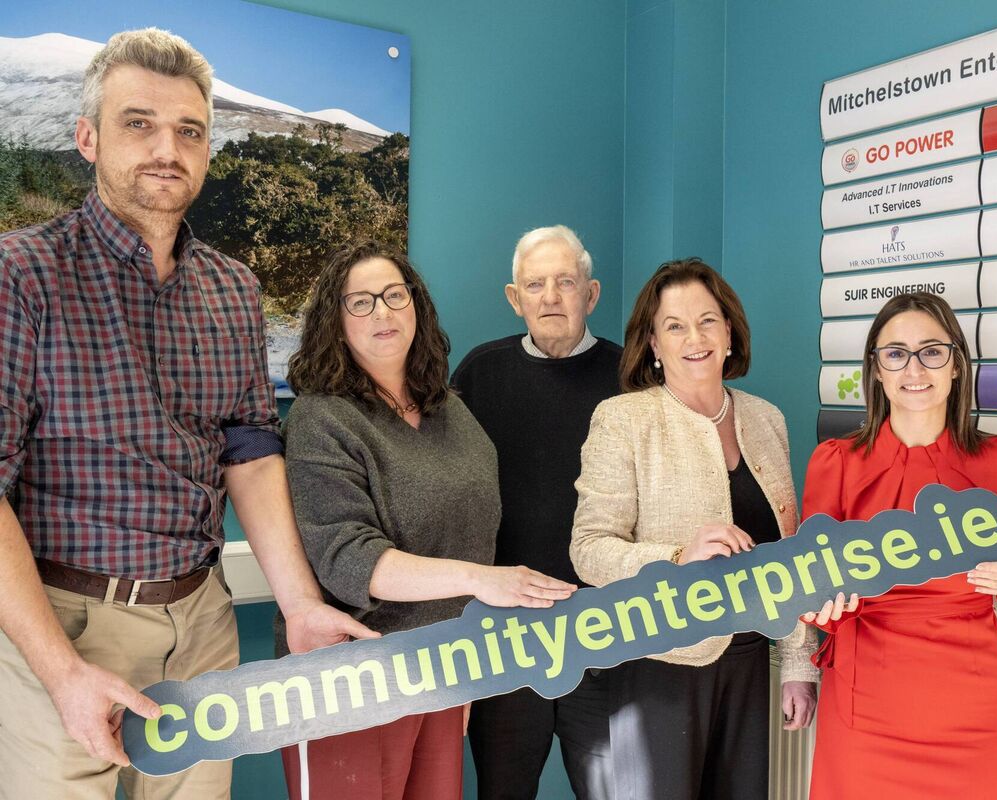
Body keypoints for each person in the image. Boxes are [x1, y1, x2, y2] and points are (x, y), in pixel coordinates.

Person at [0, 29, 375, 799]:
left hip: (203, 626)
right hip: (64, 630)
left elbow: (250, 452)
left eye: (189, 131)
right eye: (139, 123)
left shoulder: (233, 288)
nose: (166, 148)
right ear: (87, 138)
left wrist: (301, 605)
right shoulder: (21, 273)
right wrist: (63, 671)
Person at [279, 239, 577, 800]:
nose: (383, 312)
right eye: (360, 302)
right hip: (352, 675)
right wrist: (478, 579)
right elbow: (349, 559)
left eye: (395, 295)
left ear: (417, 306)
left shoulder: (449, 408)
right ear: (334, 320)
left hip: (443, 669)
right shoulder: (323, 418)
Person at [791, 291, 997, 799]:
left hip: (973, 706)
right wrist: (820, 602)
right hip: (865, 703)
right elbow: (810, 590)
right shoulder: (835, 462)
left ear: (957, 365)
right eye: (895, 353)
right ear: (875, 369)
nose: (913, 368)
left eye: (931, 351)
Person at [570, 258, 818, 800]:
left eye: (707, 320)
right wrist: (678, 555)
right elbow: (589, 550)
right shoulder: (623, 420)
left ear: (729, 331)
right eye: (674, 326)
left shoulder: (767, 419)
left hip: (751, 661)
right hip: (660, 664)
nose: (694, 338)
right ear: (653, 344)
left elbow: (793, 555)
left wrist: (800, 663)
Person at [453, 225, 621, 798]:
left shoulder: (632, 379)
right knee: (503, 788)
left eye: (565, 282)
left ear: (591, 295)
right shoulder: (478, 375)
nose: (551, 297)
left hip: (610, 631)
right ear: (514, 297)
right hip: (503, 636)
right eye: (536, 284)